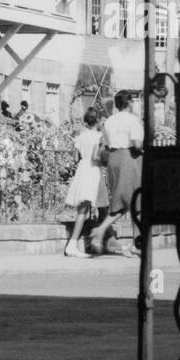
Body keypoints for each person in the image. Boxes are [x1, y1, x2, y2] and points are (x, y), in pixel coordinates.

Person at [90, 91, 143, 257]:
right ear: (130, 103)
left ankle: (137, 244)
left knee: (132, 203)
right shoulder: (133, 120)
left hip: (114, 158)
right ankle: (100, 230)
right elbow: (136, 144)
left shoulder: (110, 121)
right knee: (130, 202)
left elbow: (105, 142)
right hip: (129, 159)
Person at [63, 108, 108, 257]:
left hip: (82, 169)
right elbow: (96, 158)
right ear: (98, 120)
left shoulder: (81, 136)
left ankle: (79, 242)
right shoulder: (99, 136)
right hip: (92, 170)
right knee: (84, 208)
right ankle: (73, 244)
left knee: (85, 207)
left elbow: (75, 157)